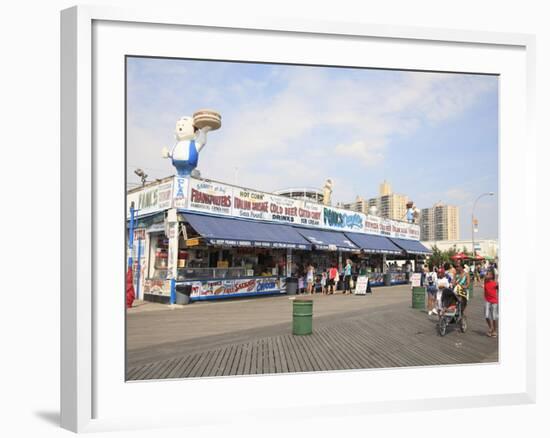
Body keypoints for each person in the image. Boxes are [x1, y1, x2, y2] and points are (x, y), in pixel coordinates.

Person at [484, 269, 499, 337]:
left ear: (492, 276)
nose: (487, 275)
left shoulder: (495, 283)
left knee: (494, 317)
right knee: (486, 316)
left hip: (494, 301)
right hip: (487, 300)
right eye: (487, 274)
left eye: (489, 274)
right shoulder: (485, 281)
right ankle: (491, 327)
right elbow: (484, 277)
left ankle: (494, 331)